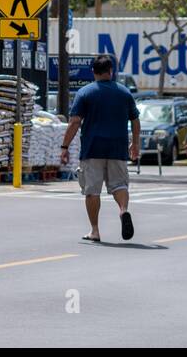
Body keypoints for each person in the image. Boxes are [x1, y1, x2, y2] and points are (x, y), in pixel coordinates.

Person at [60, 53, 140, 242]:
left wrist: (64, 146)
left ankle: (95, 230)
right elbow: (135, 120)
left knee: (92, 191)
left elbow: (74, 122)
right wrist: (135, 144)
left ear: (93, 72)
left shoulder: (85, 92)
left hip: (92, 148)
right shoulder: (124, 93)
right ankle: (123, 211)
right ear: (111, 72)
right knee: (119, 185)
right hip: (118, 148)